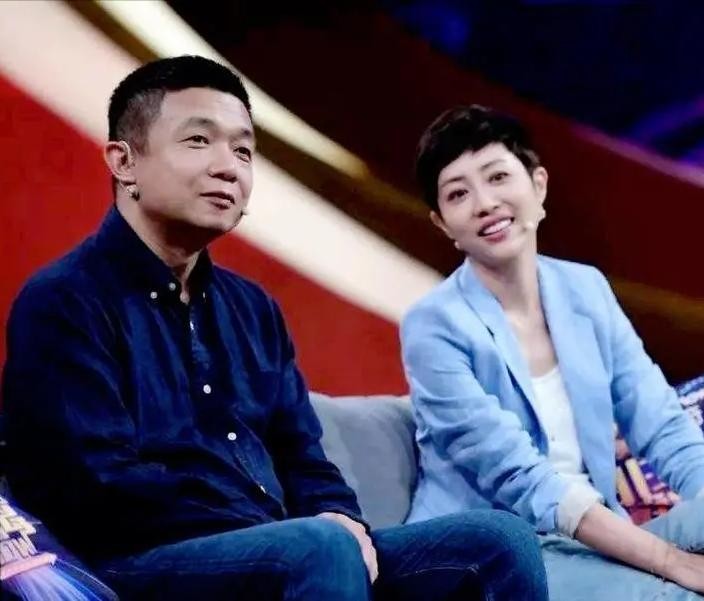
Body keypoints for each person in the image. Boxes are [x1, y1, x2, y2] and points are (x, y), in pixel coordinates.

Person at [2, 58, 548, 601]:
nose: (229, 168)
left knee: (498, 541)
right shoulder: (64, 301)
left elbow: (303, 455)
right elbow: (96, 486)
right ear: (124, 162)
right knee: (319, 548)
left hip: (282, 549)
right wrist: (281, 531)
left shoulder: (252, 308)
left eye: (243, 150)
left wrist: (339, 517)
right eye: (199, 141)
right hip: (135, 564)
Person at [400, 104, 704, 601]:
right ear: (442, 223)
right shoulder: (434, 326)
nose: (485, 203)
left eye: (498, 177)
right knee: (678, 596)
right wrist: (673, 563)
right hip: (500, 555)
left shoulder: (586, 290)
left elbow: (659, 423)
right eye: (458, 194)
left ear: (538, 185)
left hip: (594, 540)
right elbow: (523, 480)